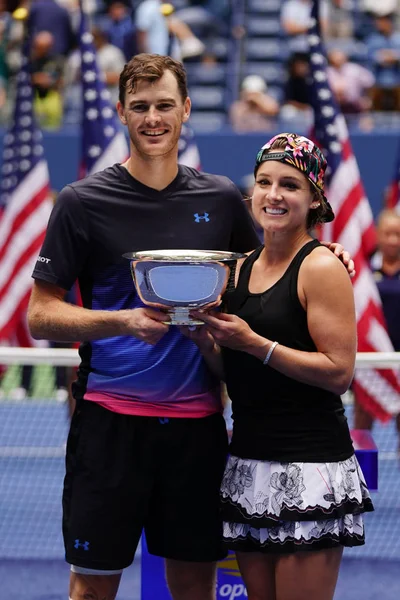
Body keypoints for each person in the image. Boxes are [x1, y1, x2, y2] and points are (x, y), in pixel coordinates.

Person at [27, 54, 355, 600]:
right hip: (109, 427)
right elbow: (40, 315)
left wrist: (328, 254)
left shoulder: (223, 197)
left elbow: (273, 265)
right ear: (120, 113)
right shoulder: (81, 202)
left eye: (163, 105)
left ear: (185, 110)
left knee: (194, 587)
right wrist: (121, 322)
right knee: (91, 588)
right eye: (139, 107)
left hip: (197, 431)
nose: (152, 118)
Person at [186, 133, 374, 600]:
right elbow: (240, 372)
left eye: (289, 184)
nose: (273, 194)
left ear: (314, 198)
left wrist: (255, 344)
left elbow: (338, 372)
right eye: (264, 181)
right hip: (249, 464)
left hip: (310, 465)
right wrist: (208, 345)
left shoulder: (321, 267)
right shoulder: (239, 268)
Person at [354, 208, 400, 445]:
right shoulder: (363, 273)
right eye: (388, 234)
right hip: (369, 362)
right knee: (362, 435)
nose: (393, 240)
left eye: (398, 234)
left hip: (399, 360)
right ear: (378, 235)